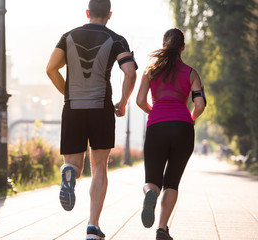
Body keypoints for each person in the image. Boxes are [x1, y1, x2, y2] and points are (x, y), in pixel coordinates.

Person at [46, 0, 137, 239]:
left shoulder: (67, 36)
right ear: (109, 15)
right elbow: (130, 72)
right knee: (99, 169)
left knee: (75, 166)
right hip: (101, 110)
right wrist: (123, 101)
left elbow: (50, 69)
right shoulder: (117, 39)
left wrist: (68, 92)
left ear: (87, 13)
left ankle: (68, 172)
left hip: (73, 108)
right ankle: (92, 227)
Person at [136, 28, 206, 240]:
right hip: (183, 127)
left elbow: (140, 101)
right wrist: (190, 118)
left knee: (153, 180)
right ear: (182, 47)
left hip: (157, 126)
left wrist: (155, 112)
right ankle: (162, 229)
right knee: (172, 181)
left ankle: (151, 193)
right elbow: (200, 104)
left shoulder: (151, 71)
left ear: (164, 45)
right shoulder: (191, 72)